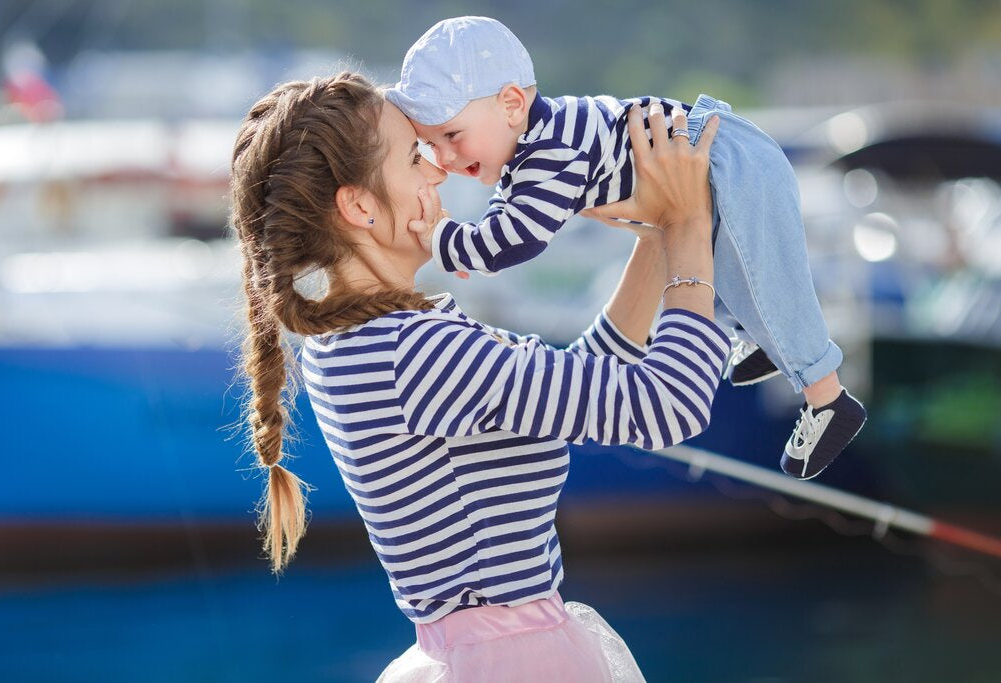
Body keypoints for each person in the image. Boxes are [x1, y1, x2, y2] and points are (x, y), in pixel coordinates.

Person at [230, 70, 725, 681]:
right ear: (358, 205)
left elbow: (575, 383)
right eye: (415, 156)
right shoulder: (415, 350)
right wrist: (690, 227)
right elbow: (667, 405)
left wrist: (655, 240)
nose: (439, 168)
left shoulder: (351, 342)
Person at [385, 16, 867, 480]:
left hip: (722, 159)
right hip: (711, 154)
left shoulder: (549, 154)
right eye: (429, 146)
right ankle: (765, 339)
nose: (444, 161)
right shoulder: (533, 148)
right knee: (739, 269)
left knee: (768, 279)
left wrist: (442, 238)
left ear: (512, 104)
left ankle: (828, 399)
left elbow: (511, 241)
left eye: (451, 136)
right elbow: (502, 234)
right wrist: (467, 247)